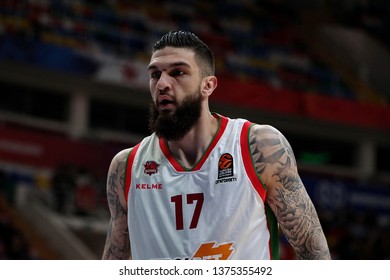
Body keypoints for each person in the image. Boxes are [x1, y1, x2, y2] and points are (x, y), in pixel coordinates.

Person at [102, 30, 331, 260]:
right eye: (154, 74)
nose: (162, 84)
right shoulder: (126, 167)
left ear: (208, 85)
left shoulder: (258, 147)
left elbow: (315, 254)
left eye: (177, 72)